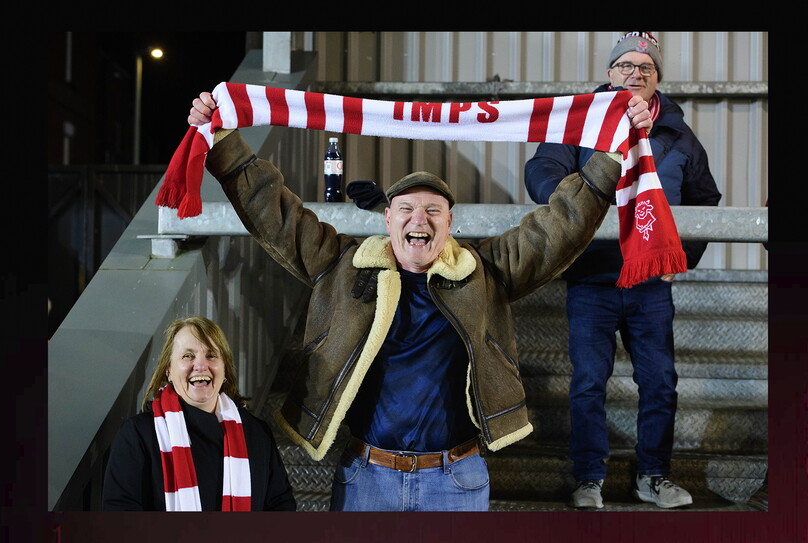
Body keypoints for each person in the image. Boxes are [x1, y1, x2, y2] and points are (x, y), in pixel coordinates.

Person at [187, 89, 653, 511]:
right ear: (387, 220)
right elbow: (276, 214)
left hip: (456, 480)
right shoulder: (343, 264)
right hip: (365, 477)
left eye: (433, 210)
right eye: (407, 209)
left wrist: (611, 155)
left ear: (449, 223)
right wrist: (223, 139)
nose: (420, 220)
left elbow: (561, 225)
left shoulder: (485, 273)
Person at [524, 31, 723, 510]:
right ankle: (589, 478)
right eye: (626, 66)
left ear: (656, 79)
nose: (636, 74)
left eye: (646, 68)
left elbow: (706, 201)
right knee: (589, 381)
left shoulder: (676, 133)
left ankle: (653, 476)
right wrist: (574, 206)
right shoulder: (578, 123)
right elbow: (540, 174)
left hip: (651, 282)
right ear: (610, 73)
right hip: (593, 279)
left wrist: (681, 258)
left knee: (659, 382)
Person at [102, 316, 297, 511]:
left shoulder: (256, 433)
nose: (201, 365)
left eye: (211, 355)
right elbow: (120, 517)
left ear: (225, 369)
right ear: (168, 370)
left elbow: (281, 506)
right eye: (188, 356)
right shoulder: (138, 434)